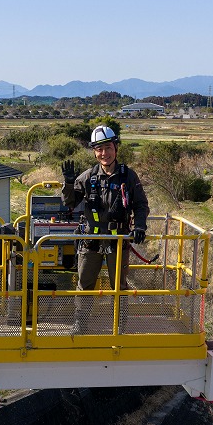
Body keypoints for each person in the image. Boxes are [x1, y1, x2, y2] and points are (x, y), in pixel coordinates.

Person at [61, 125, 149, 333]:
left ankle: (119, 326)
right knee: (84, 284)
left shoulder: (128, 177)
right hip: (91, 239)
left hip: (117, 240)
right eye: (99, 149)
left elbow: (140, 205)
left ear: (115, 148)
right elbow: (70, 202)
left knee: (118, 285)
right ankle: (80, 325)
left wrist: (140, 226)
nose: (104, 153)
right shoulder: (88, 177)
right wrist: (68, 183)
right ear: (94, 152)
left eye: (108, 148)